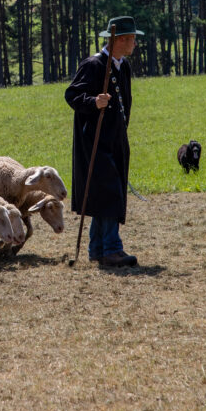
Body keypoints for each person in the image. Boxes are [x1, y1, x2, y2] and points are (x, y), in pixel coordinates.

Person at [64, 15, 142, 268]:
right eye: (130, 39)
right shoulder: (94, 65)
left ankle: (97, 248)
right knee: (109, 193)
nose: (133, 44)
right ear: (117, 39)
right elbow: (72, 95)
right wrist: (93, 102)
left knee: (105, 194)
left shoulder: (123, 66)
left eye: (133, 39)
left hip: (116, 140)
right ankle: (111, 249)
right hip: (94, 143)